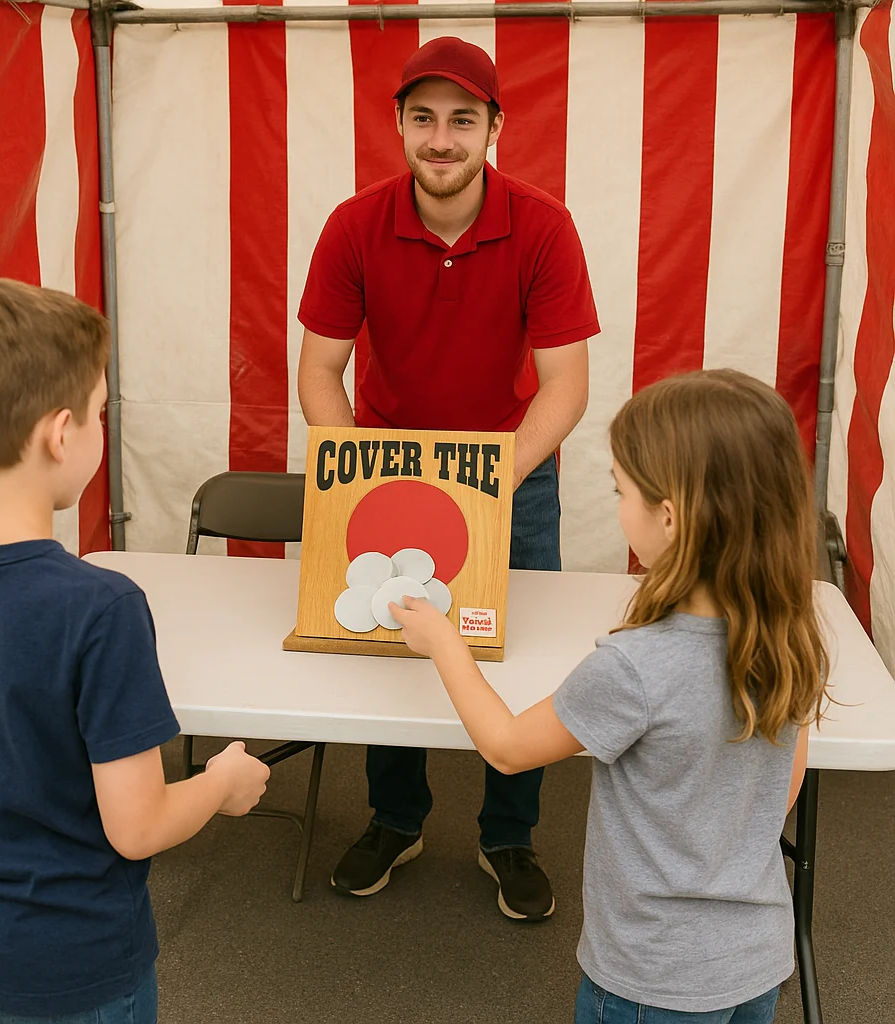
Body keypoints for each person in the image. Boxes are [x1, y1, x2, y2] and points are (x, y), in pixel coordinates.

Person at [0, 280, 271, 1023]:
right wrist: (223, 781)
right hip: (73, 966)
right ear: (61, 434)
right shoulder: (101, 607)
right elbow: (139, 824)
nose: (99, 425)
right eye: (99, 411)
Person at [391, 369, 829, 1022]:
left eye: (623, 492)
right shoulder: (788, 634)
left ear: (671, 517)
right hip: (755, 963)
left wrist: (444, 643)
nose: (619, 507)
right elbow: (783, 777)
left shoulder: (634, 668)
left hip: (649, 980)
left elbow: (509, 749)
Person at [297, 35, 600, 919]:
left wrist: (486, 484)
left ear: (494, 127)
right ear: (397, 124)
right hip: (390, 470)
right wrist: (356, 475)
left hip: (514, 475)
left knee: (519, 658)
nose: (441, 138)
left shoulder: (544, 225)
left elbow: (566, 386)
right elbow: (319, 372)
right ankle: (397, 818)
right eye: (423, 118)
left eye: (462, 119)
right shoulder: (354, 225)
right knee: (394, 644)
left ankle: (509, 833)